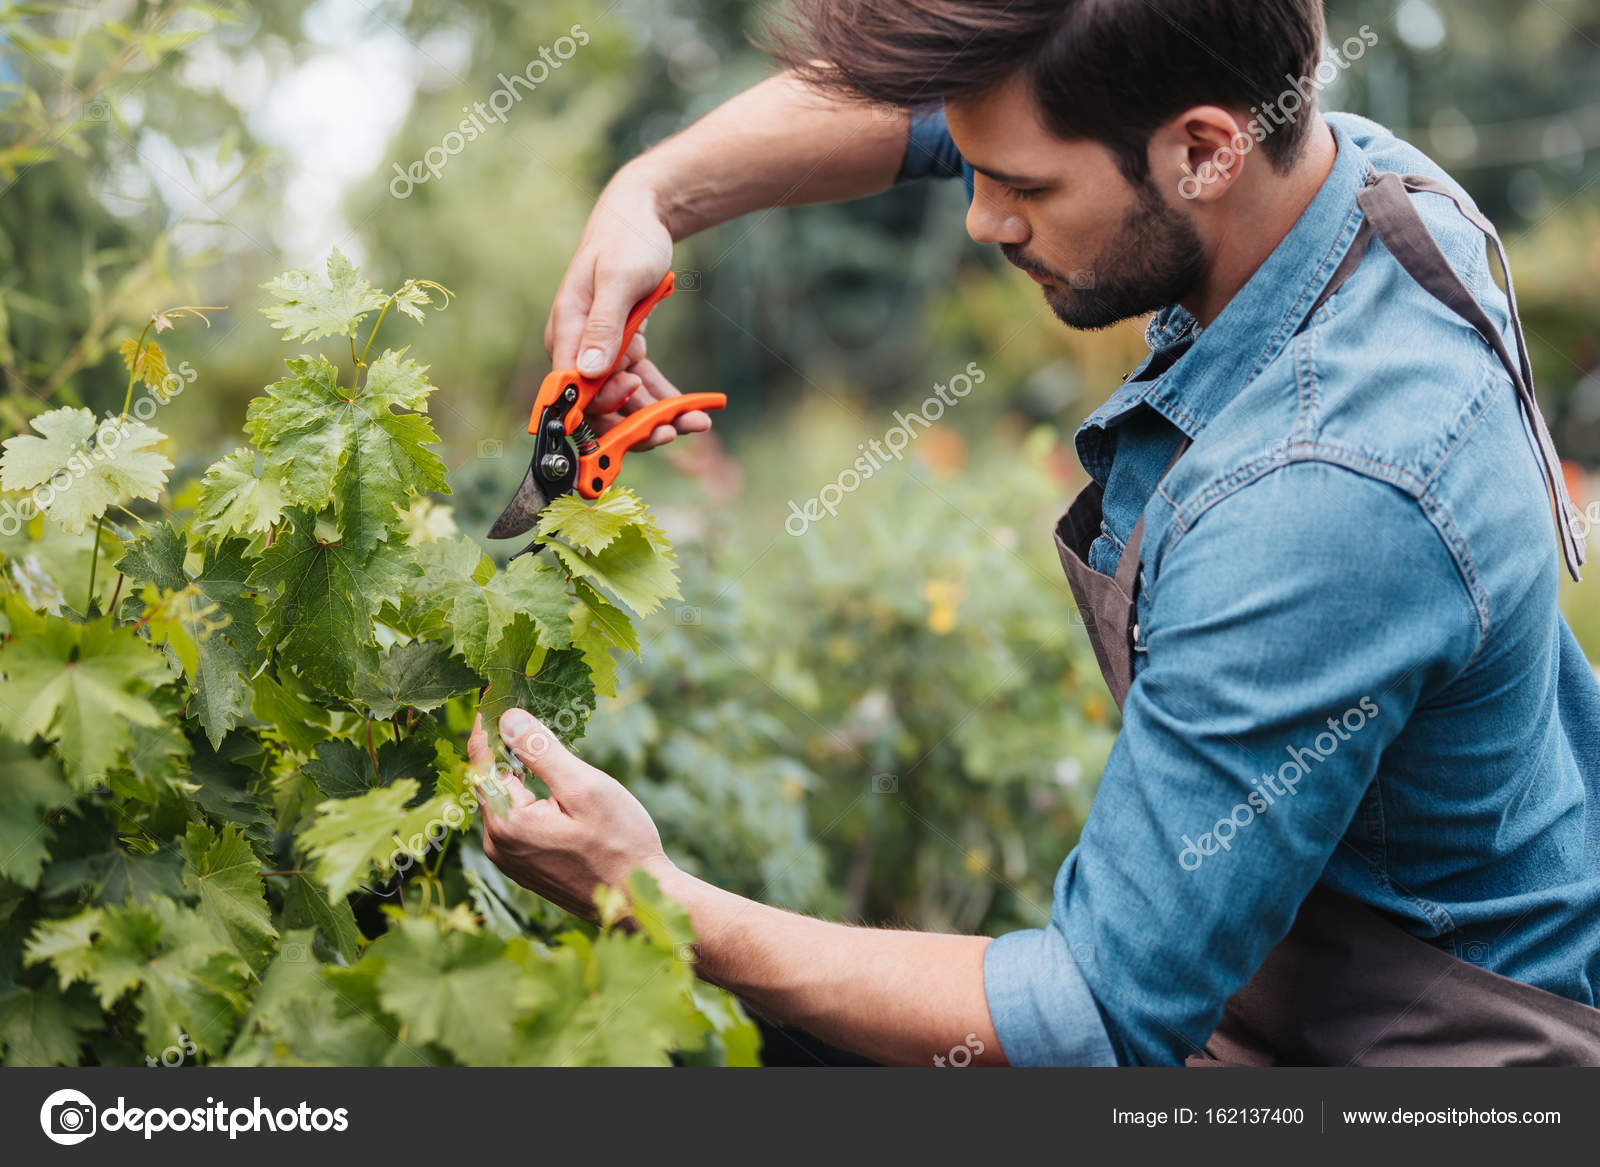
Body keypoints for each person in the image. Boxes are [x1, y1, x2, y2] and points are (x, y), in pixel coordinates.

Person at [468, 0, 1600, 1066]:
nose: (979, 217)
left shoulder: (1321, 497)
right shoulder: (1326, 168)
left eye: (1020, 185)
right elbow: (924, 117)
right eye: (976, 166)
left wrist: (650, 895)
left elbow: (1093, 1024)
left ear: (1206, 150)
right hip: (1297, 974)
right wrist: (650, 196)